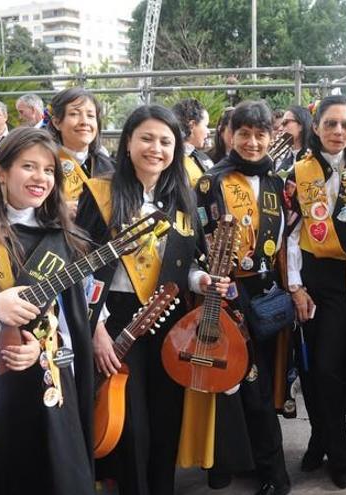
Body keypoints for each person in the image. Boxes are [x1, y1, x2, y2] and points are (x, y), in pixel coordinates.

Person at [76, 104, 226, 495]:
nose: (155, 148)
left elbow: (189, 264)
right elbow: (82, 268)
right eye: (146, 138)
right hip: (118, 321)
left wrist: (202, 279)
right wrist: (96, 330)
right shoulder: (101, 194)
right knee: (131, 426)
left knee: (165, 419)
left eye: (165, 141)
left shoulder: (182, 199)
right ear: (127, 143)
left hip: (169, 321)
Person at [0, 127, 95, 495]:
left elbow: (72, 326)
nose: (40, 178)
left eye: (49, 170)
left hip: (45, 387)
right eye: (28, 166)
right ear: (1, 171)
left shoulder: (65, 238)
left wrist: (41, 346)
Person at [194, 100, 291, 495]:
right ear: (229, 135)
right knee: (240, 380)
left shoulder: (277, 182)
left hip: (268, 290)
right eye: (244, 134)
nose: (252, 142)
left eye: (260, 134)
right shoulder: (210, 181)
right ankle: (270, 471)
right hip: (225, 291)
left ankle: (251, 462)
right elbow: (199, 239)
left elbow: (287, 239)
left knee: (264, 381)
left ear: (273, 136)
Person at [283, 94, 346, 489]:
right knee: (316, 369)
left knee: (335, 371)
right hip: (315, 283)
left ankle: (335, 447)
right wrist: (296, 287)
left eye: (345, 125)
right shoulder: (299, 173)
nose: (338, 132)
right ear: (315, 127)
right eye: (330, 124)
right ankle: (326, 441)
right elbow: (293, 235)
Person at [48, 87, 114, 209]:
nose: (84, 122)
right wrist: (58, 211)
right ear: (57, 122)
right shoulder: (45, 163)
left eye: (90, 116)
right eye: (74, 114)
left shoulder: (109, 167)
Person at [171, 97, 214, 186]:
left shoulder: (203, 158)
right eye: (206, 125)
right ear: (192, 125)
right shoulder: (169, 159)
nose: (208, 131)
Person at [274, 105, 312, 174]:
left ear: (301, 125)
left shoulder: (313, 156)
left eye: (285, 123)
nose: (280, 128)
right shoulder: (285, 155)